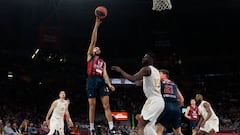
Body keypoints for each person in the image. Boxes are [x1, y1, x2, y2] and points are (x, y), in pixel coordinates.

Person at [111, 53, 165, 135]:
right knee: (148, 127)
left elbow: (132, 78)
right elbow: (140, 82)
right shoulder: (156, 71)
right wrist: (138, 83)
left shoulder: (146, 69)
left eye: (145, 57)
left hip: (153, 100)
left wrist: (120, 70)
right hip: (159, 101)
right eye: (143, 57)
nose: (143, 58)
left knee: (141, 126)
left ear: (151, 59)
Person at [86, 17, 116, 135]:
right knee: (92, 105)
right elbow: (93, 41)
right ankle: (92, 128)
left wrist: (109, 84)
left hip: (101, 81)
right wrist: (96, 26)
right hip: (91, 81)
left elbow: (105, 74)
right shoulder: (89, 56)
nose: (96, 47)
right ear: (93, 50)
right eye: (95, 47)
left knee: (106, 105)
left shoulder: (103, 62)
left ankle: (111, 127)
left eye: (98, 47)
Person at [155, 69, 184, 135]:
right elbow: (182, 99)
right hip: (176, 109)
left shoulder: (159, 81)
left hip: (166, 107)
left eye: (160, 73)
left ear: (165, 75)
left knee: (158, 131)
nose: (158, 75)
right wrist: (175, 106)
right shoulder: (174, 84)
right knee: (178, 132)